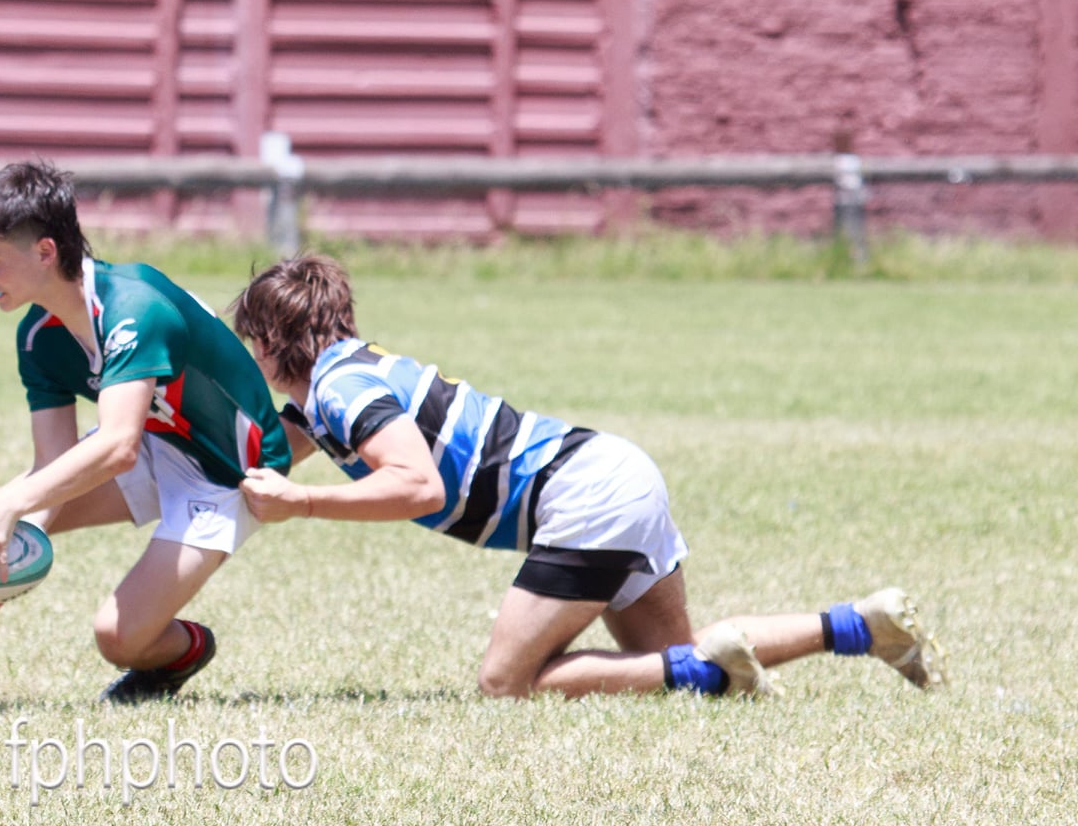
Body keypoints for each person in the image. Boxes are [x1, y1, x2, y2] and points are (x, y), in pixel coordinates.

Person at [229, 253, 944, 699]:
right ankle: (860, 625)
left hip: (584, 498)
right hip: (615, 469)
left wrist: (304, 502)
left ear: (267, 339)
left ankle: (714, 674)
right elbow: (264, 455)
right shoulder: (340, 383)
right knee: (669, 661)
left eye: (245, 344)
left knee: (505, 683)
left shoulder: (339, 390)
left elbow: (421, 487)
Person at [0, 160, 297, 706]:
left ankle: (181, 653)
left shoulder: (135, 309)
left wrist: (6, 502)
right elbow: (52, 461)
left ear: (45, 252)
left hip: (230, 472)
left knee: (119, 638)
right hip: (152, 441)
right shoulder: (38, 336)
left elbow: (117, 446)